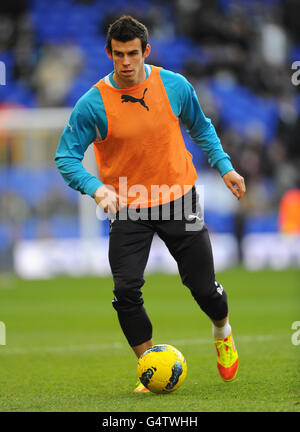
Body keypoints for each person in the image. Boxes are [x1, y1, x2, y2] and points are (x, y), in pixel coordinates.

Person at [55, 15, 246, 392]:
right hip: (128, 206)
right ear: (109, 53)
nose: (126, 62)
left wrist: (224, 166)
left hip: (180, 199)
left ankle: (222, 331)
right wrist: (96, 188)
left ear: (146, 51)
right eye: (118, 54)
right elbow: (65, 156)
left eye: (132, 54)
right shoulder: (93, 104)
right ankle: (149, 365)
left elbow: (201, 126)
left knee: (204, 287)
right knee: (125, 291)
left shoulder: (174, 86)